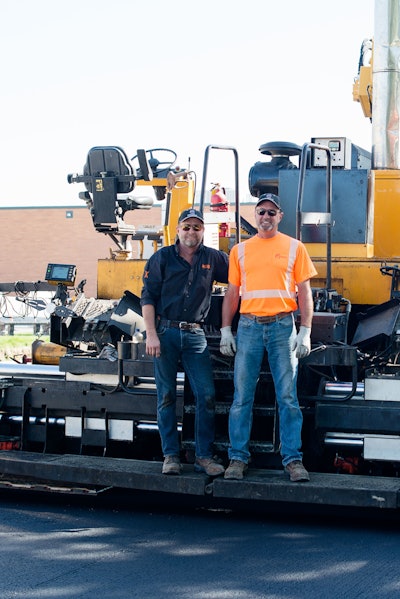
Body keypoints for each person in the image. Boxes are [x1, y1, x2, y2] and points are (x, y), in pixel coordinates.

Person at [220, 193, 317, 482]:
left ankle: (293, 460)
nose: (265, 217)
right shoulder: (239, 251)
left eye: (271, 212)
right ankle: (237, 459)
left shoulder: (294, 248)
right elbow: (232, 293)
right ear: (255, 215)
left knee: (287, 397)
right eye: (261, 211)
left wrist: (305, 330)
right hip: (248, 327)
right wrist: (226, 328)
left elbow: (304, 292)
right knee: (241, 398)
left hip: (282, 328)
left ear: (280, 216)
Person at [141, 208, 229, 477]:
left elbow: (240, 276)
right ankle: (171, 456)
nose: (192, 232)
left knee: (206, 395)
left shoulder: (213, 258)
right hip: (165, 333)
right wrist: (151, 334)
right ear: (178, 230)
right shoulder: (162, 258)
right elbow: (147, 297)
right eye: (187, 227)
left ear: (204, 231)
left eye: (197, 227)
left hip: (195, 335)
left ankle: (204, 456)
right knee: (166, 396)